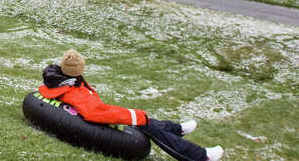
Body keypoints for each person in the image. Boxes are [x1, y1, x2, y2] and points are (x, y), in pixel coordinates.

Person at [39, 49, 223, 161]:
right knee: (145, 124)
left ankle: (176, 128)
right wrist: (133, 115)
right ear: (76, 71)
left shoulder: (65, 82)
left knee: (146, 121)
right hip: (94, 122)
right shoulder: (74, 92)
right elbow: (95, 113)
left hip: (93, 114)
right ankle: (199, 155)